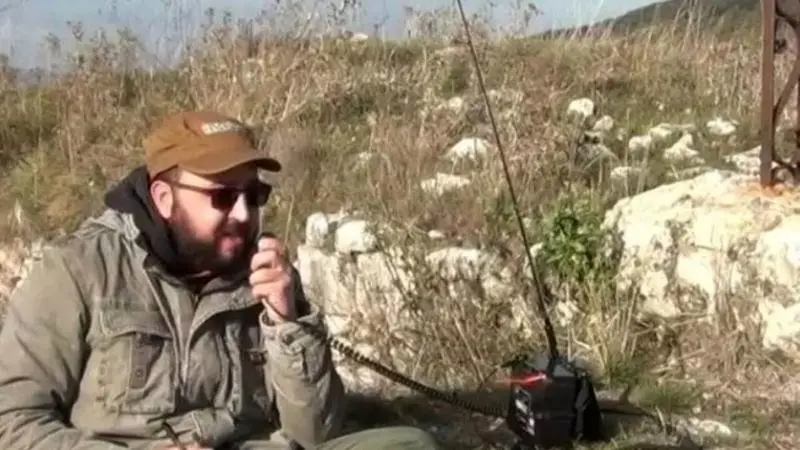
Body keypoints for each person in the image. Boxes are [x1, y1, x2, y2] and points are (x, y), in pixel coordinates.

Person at [0, 110, 440, 450]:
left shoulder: (267, 274)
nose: (244, 214)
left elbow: (315, 433)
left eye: (254, 195)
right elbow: (12, 422)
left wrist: (287, 323)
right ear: (164, 198)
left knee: (409, 445)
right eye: (223, 197)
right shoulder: (77, 270)